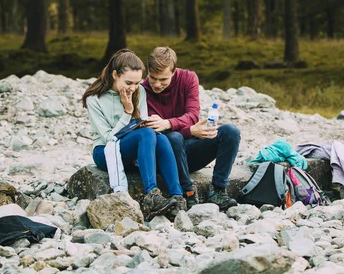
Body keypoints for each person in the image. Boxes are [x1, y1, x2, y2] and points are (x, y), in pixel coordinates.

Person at [82, 49, 185, 219]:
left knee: (158, 136)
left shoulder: (140, 92)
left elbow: (140, 124)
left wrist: (146, 123)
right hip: (105, 152)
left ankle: (177, 196)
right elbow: (108, 137)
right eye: (129, 83)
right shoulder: (94, 99)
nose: (133, 88)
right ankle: (151, 195)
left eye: (137, 83)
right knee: (146, 134)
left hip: (132, 148)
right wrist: (128, 112)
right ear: (115, 75)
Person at [142, 46, 241, 210]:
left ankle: (218, 190)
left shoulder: (188, 78)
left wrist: (169, 123)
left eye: (163, 79)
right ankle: (188, 193)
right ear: (148, 71)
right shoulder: (142, 91)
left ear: (174, 72)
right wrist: (188, 130)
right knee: (173, 138)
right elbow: (159, 134)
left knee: (231, 132)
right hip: (167, 156)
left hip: (191, 150)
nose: (157, 84)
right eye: (153, 78)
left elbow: (193, 115)